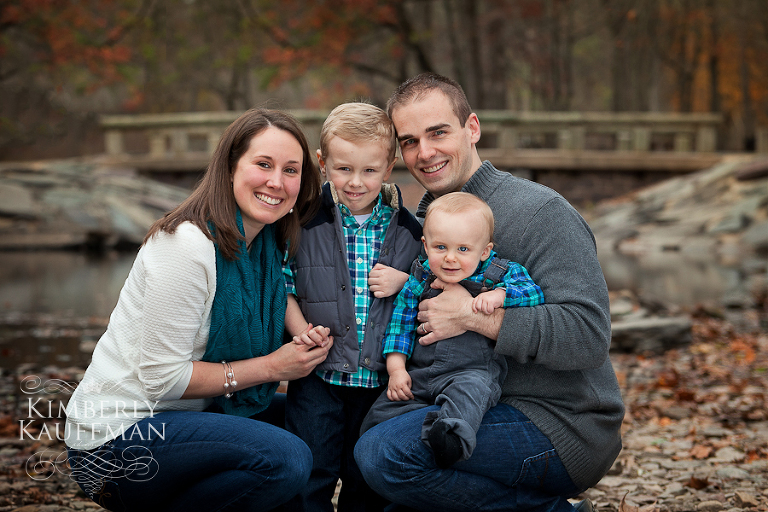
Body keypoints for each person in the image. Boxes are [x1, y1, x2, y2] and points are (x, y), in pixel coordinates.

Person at [354, 73, 624, 512]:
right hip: (460, 398)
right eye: (409, 141)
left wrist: (472, 316)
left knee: (384, 454)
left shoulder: (541, 211)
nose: (425, 153)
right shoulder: (428, 226)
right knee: (374, 467)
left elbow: (589, 334)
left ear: (472, 128)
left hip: (558, 420)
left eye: (438, 132)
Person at [63, 108, 331, 512]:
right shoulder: (186, 246)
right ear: (228, 168)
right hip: (114, 441)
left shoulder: (266, 245)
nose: (277, 182)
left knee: (315, 425)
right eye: (263, 164)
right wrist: (273, 368)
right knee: (284, 458)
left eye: (291, 170)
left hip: (190, 420)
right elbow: (162, 379)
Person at [281, 102, 422, 512]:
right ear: (322, 163)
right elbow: (285, 285)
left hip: (380, 382)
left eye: (369, 170)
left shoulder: (410, 231)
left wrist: (408, 281)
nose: (356, 182)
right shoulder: (303, 223)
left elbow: (434, 288)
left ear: (389, 165)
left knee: (368, 482)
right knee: (311, 474)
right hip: (318, 377)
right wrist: (298, 330)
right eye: (343, 169)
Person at [360, 191, 544, 470]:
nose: (450, 259)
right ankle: (370, 447)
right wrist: (397, 370)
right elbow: (400, 325)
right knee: (383, 410)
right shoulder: (419, 279)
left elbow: (534, 293)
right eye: (440, 247)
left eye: (463, 249)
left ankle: (452, 438)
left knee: (470, 394)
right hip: (420, 374)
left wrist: (500, 296)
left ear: (484, 251)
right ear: (425, 245)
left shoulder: (498, 273)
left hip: (470, 371)